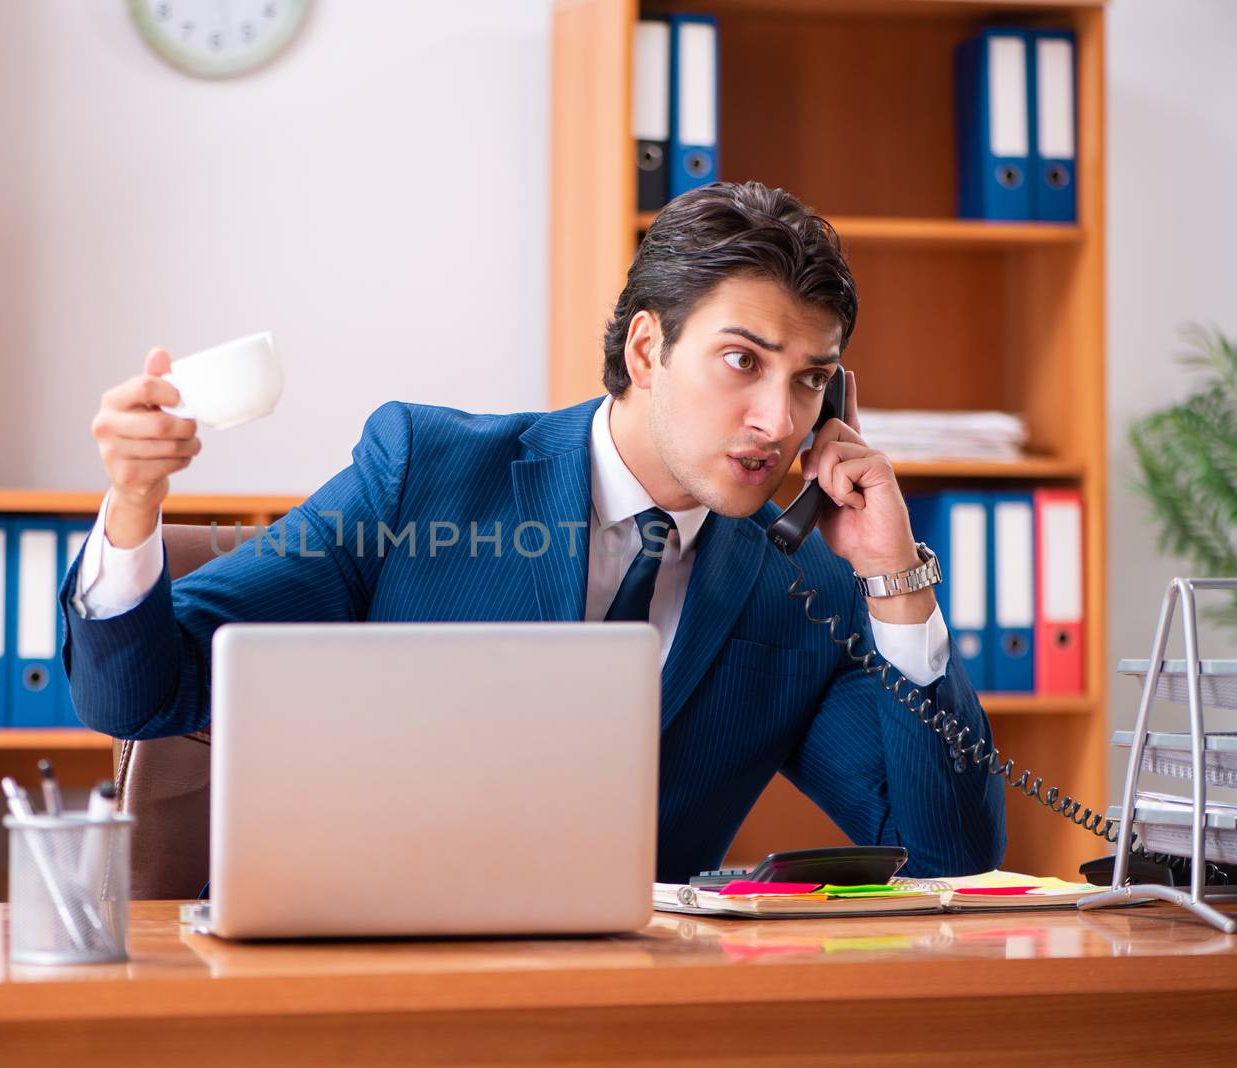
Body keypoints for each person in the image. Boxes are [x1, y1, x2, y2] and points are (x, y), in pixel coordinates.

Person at [61, 180, 1006, 880]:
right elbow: (144, 695)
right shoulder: (424, 474)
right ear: (647, 349)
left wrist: (895, 579)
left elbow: (946, 859)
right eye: (741, 361)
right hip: (384, 985)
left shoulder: (806, 589)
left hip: (623, 1018)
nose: (778, 419)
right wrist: (134, 503)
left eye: (809, 379)